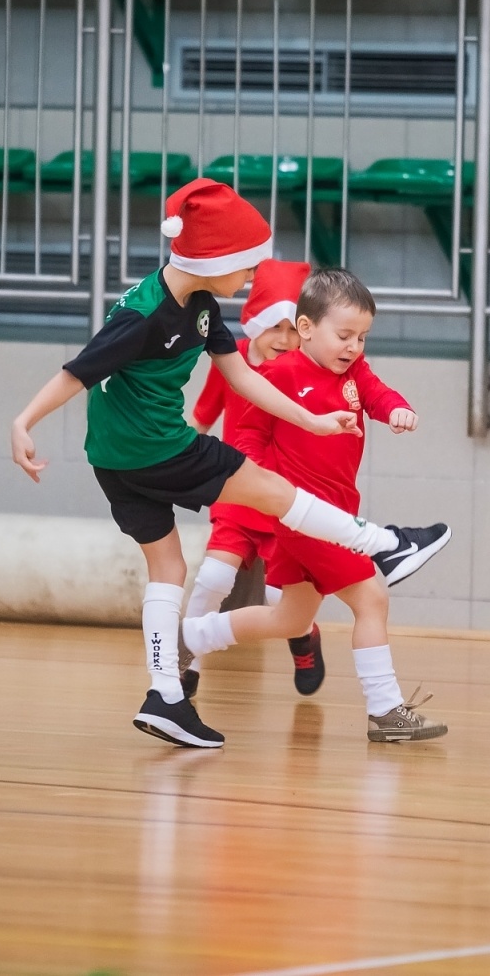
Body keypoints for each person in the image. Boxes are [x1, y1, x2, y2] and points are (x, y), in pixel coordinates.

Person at [10, 178, 450, 749]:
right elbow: (79, 371)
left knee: (168, 571)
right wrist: (25, 420)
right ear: (215, 258)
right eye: (246, 268)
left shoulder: (199, 306)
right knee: (269, 489)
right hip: (158, 446)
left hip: (114, 460)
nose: (250, 280)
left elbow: (239, 374)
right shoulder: (144, 313)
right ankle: (380, 542)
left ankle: (166, 695)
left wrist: (313, 422)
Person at [183, 269, 448, 743]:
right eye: (344, 335)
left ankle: (193, 637)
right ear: (306, 329)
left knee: (291, 619)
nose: (354, 347)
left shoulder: (355, 374)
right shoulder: (276, 376)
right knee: (372, 597)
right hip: (307, 521)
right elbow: (247, 439)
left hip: (335, 516)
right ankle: (386, 712)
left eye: (363, 337)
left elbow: (378, 394)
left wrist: (396, 410)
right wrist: (274, 494)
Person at [185, 257, 319, 700]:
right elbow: (203, 415)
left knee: (284, 600)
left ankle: (304, 636)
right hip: (237, 491)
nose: (284, 339)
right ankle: (186, 666)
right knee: (210, 582)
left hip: (286, 500)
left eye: (293, 328)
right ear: (253, 320)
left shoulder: (310, 372)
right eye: (273, 326)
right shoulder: (232, 360)